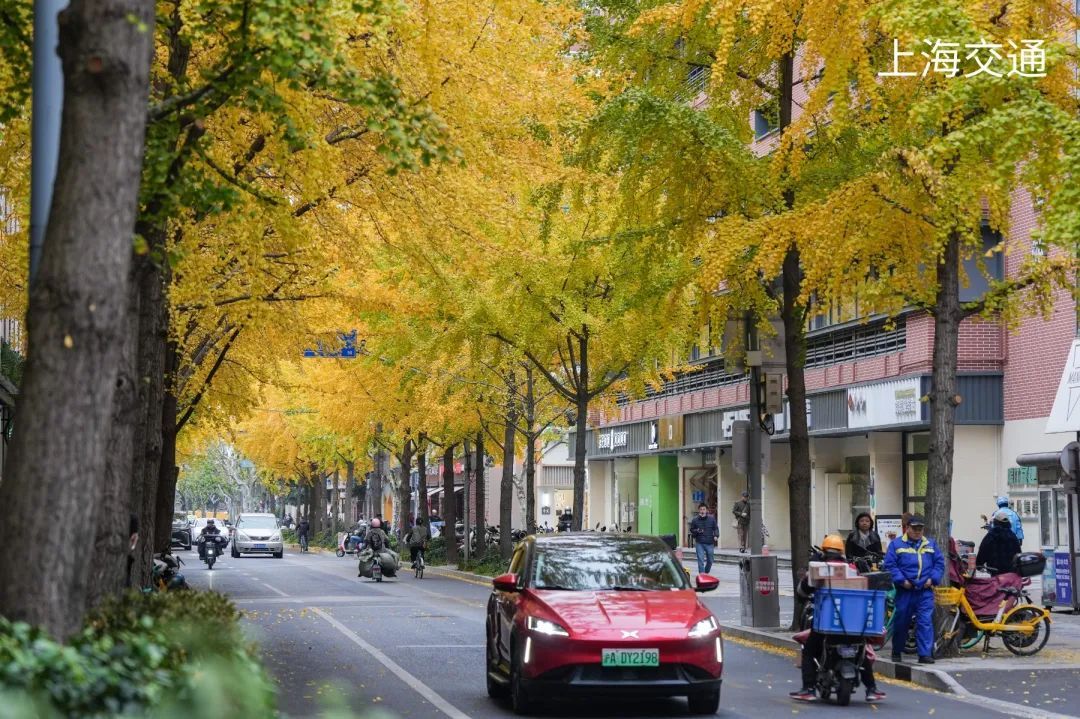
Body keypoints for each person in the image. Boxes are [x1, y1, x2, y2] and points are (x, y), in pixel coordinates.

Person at [790, 535, 886, 703]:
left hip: (827, 626)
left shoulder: (818, 570)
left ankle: (809, 689)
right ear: (842, 552)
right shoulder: (852, 569)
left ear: (823, 552)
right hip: (854, 625)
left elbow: (802, 591)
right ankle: (872, 689)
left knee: (808, 650)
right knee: (862, 652)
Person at [883, 515, 944, 664]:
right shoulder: (896, 544)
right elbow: (890, 565)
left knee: (925, 622)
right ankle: (897, 650)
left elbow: (939, 564)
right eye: (914, 528)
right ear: (907, 528)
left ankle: (924, 654)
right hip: (905, 590)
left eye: (920, 529)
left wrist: (932, 579)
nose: (917, 532)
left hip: (924, 590)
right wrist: (902, 581)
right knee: (901, 622)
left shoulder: (930, 544)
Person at [689, 503, 719, 574]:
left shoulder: (712, 519)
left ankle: (706, 572)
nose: (702, 511)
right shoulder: (695, 520)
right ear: (699, 510)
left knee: (710, 560)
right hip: (699, 543)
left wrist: (716, 535)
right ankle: (702, 575)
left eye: (704, 509)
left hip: (709, 543)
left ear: (706, 510)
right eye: (701, 509)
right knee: (700, 560)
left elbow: (715, 528)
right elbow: (691, 529)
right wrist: (697, 530)